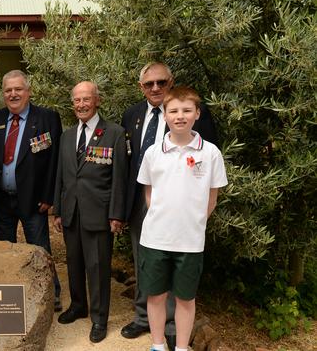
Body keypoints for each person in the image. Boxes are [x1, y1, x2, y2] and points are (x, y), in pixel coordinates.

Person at [120, 62, 219, 347]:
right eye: (149, 84)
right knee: (146, 268)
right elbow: (131, 167)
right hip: (145, 203)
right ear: (141, 87)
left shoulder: (192, 115)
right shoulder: (132, 115)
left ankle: (175, 329)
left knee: (182, 283)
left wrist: (197, 218)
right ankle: (145, 322)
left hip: (186, 215)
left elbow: (210, 180)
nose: (155, 88)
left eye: (161, 83)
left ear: (170, 83)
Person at [137, 86, 227, 351]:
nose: (180, 116)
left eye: (186, 110)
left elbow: (212, 199)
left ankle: (182, 347)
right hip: (155, 239)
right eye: (173, 110)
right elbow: (149, 193)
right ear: (164, 115)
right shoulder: (153, 153)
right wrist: (164, 219)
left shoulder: (210, 153)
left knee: (186, 299)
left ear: (197, 114)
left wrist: (192, 222)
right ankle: (157, 345)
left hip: (190, 242)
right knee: (155, 296)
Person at [53, 81, 128, 343]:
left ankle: (99, 318)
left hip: (99, 213)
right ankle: (78, 305)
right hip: (71, 211)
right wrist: (59, 210)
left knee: (97, 267)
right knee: (73, 263)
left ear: (97, 101)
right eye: (77, 100)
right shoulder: (67, 135)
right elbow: (61, 176)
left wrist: (117, 214)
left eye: (86, 99)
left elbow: (120, 178)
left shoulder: (115, 133)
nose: (81, 105)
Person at [0, 69, 62, 310]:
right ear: (3, 93)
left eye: (18, 89)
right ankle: (6, 293)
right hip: (2, 200)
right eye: (8, 90)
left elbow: (54, 161)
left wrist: (49, 196)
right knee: (2, 252)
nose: (13, 94)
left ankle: (51, 294)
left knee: (39, 250)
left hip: (34, 200)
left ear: (28, 91)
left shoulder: (48, 118)